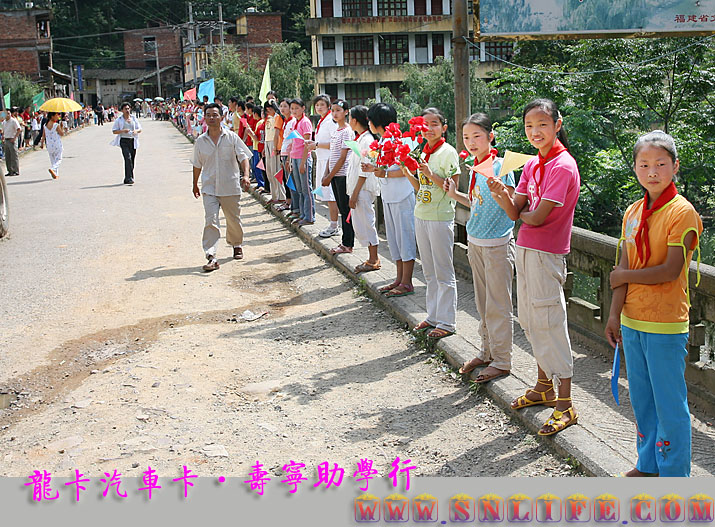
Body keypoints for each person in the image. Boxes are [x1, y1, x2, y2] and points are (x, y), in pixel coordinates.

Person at [605, 131, 702, 477]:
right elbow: (625, 266)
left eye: (661, 164)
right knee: (642, 400)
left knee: (670, 403)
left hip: (665, 322)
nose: (652, 172)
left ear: (675, 166)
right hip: (633, 320)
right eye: (644, 164)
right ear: (634, 168)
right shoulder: (633, 211)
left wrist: (623, 278)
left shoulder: (683, 212)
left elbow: (671, 269)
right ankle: (648, 464)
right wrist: (614, 313)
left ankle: (675, 474)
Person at [487, 98, 580, 436]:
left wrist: (520, 209)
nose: (535, 131)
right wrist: (501, 194)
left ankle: (566, 403)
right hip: (525, 248)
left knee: (550, 320)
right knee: (529, 317)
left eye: (542, 124)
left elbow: (535, 217)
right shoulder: (532, 165)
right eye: (529, 126)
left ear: (557, 124)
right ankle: (544, 386)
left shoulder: (562, 165)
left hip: (546, 252)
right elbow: (516, 214)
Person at [445, 113, 516, 381]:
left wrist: (500, 191)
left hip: (498, 245)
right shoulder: (474, 167)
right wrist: (454, 195)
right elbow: (476, 205)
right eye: (466, 137)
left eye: (477, 136)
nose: (471, 142)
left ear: (490, 137)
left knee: (499, 305)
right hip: (475, 242)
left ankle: (502, 360)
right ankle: (486, 352)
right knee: (483, 303)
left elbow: (512, 205)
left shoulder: (501, 167)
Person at [404, 107, 460, 339]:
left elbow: (452, 189)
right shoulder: (421, 151)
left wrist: (429, 173)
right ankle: (433, 315)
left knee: (443, 271)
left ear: (443, 127)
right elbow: (420, 188)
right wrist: (409, 172)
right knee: (428, 271)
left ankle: (447, 322)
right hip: (422, 214)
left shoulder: (448, 152)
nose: (428, 128)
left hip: (440, 217)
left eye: (434, 123)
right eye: (424, 124)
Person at [363, 102, 416, 298]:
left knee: (405, 238)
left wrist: (383, 174)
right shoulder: (383, 142)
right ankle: (399, 278)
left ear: (377, 123)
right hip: (389, 196)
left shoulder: (402, 142)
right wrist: (374, 170)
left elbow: (406, 172)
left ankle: (407, 281)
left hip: (402, 196)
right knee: (394, 239)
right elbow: (384, 169)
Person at [191, 103, 252, 271]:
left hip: (230, 186)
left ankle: (236, 244)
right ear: (205, 118)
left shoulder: (231, 137)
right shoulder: (200, 142)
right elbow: (197, 165)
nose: (212, 118)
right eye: (208, 115)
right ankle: (211, 255)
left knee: (233, 219)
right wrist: (194, 183)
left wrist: (246, 175)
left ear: (221, 117)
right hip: (209, 187)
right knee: (211, 220)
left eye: (215, 115)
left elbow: (244, 157)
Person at [347, 105, 381, 274]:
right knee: (361, 223)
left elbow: (364, 169)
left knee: (367, 222)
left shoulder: (367, 140)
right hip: (357, 188)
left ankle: (374, 258)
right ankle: (371, 257)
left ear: (354, 120)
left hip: (363, 188)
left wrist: (354, 193)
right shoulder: (360, 138)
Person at [321, 99, 354, 254]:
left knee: (346, 209)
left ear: (346, 112)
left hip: (342, 175)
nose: (335, 113)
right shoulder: (335, 131)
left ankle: (348, 243)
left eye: (338, 110)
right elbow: (332, 155)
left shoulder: (347, 131)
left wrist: (330, 175)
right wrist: (326, 173)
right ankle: (345, 242)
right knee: (342, 208)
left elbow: (342, 158)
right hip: (334, 175)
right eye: (333, 110)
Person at [305, 94, 340, 238]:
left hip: (329, 161)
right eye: (317, 105)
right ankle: (333, 223)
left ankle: (334, 225)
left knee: (331, 195)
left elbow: (335, 143)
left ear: (328, 106)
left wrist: (317, 144)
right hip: (321, 159)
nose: (319, 108)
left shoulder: (331, 121)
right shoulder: (321, 121)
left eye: (322, 105)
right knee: (326, 194)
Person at [289, 98, 314, 226]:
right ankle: (303, 214)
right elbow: (293, 142)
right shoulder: (294, 122)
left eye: (297, 108)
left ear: (303, 108)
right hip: (295, 157)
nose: (294, 111)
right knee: (299, 188)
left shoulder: (305, 122)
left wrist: (303, 162)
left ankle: (309, 216)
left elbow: (307, 144)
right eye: (292, 108)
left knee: (306, 189)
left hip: (302, 158)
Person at [111, 102, 142, 185]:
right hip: (124, 141)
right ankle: (129, 178)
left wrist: (136, 131)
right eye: (125, 109)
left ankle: (127, 177)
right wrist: (122, 131)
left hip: (132, 141)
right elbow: (114, 131)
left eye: (128, 109)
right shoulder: (119, 120)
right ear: (122, 110)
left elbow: (140, 129)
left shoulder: (134, 118)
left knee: (132, 159)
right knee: (127, 158)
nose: (127, 110)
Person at [263, 100, 285, 205]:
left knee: (276, 171)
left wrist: (275, 148)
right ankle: (274, 194)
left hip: (274, 145)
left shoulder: (278, 117)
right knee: (270, 171)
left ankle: (281, 196)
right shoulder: (269, 119)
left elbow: (276, 134)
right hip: (268, 144)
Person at [44, 112, 65, 179]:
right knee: (58, 159)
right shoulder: (56, 125)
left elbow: (43, 135)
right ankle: (53, 169)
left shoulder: (45, 125)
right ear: (52, 116)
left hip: (49, 145)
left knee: (53, 159)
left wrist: (41, 143)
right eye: (57, 115)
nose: (58, 116)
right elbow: (62, 134)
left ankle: (55, 174)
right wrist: (61, 127)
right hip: (57, 144)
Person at [2, 108, 21, 176]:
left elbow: (19, 129)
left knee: (14, 156)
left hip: (12, 139)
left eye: (9, 113)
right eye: (6, 114)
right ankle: (10, 170)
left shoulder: (13, 121)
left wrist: (15, 138)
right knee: (7, 156)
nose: (8, 115)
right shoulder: (4, 122)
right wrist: (3, 137)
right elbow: (3, 130)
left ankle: (16, 170)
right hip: (6, 139)